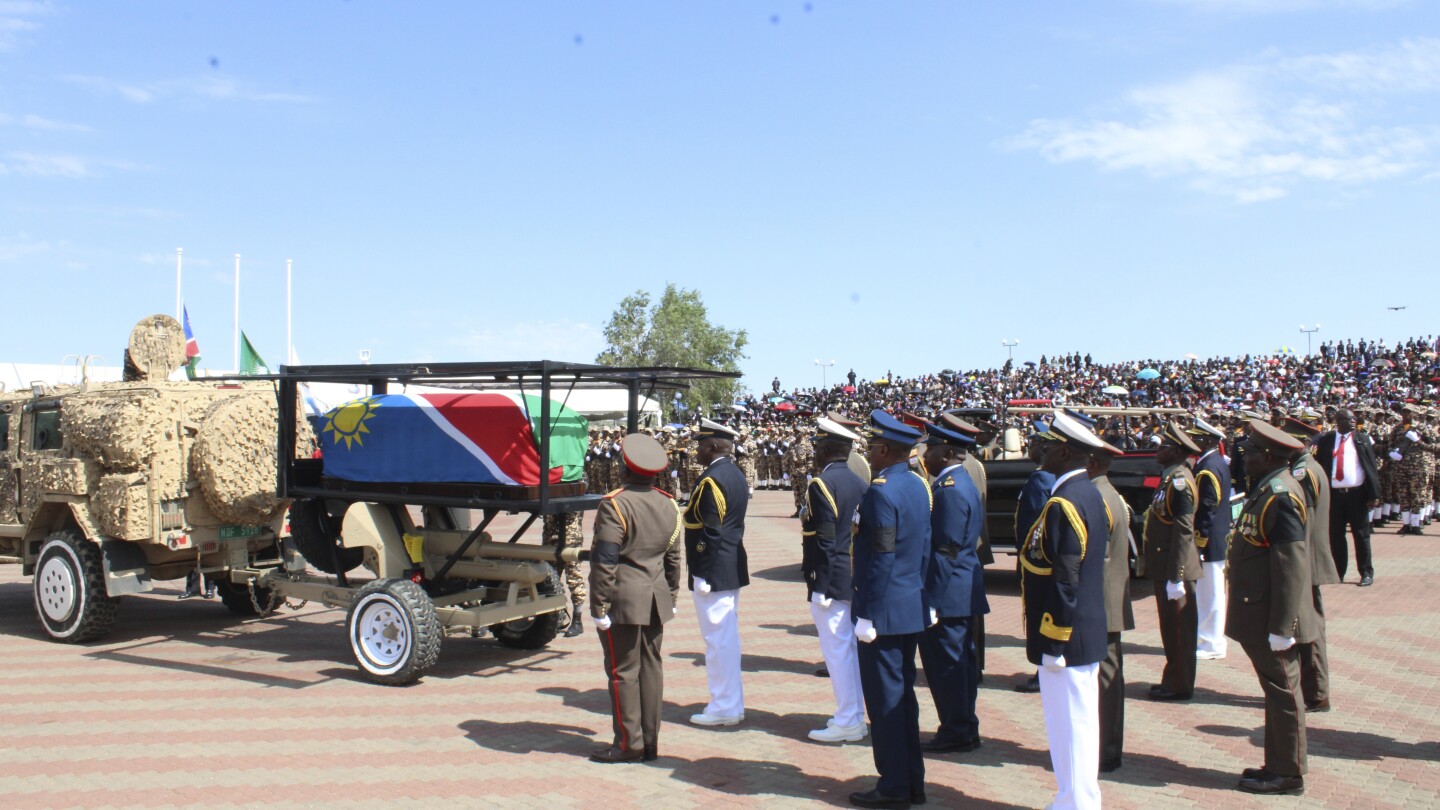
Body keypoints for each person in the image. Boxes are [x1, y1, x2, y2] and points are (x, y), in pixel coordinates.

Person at [1019, 411, 1110, 810]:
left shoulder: (1065, 501)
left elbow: (1066, 577)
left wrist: (1054, 639)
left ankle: (1075, 804)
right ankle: (1078, 799)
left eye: (1049, 445)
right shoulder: (1089, 492)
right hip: (1081, 630)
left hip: (1066, 636)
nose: (1040, 449)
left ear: (1065, 451)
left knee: (1070, 727)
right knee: (1078, 724)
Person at [1227, 419, 1319, 796]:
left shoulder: (1280, 494)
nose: (1243, 457)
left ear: (1267, 457)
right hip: (1261, 610)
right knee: (1276, 691)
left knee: (1283, 692)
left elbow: (1290, 565)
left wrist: (1283, 627)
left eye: (1249, 452)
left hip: (1272, 615)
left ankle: (1289, 774)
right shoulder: (1268, 488)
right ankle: (1277, 764)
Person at [848, 410, 931, 809]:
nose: (869, 453)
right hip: (909, 605)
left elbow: (880, 556)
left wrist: (867, 613)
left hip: (883, 612)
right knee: (903, 700)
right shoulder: (917, 484)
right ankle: (911, 781)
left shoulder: (880, 491)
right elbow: (924, 548)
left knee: (885, 704)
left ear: (883, 450)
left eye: (872, 447)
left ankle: (894, 787)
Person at [587, 433, 684, 763]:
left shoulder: (615, 503)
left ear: (624, 468)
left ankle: (629, 744)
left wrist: (598, 604)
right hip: (656, 598)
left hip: (622, 599)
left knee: (623, 672)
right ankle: (650, 741)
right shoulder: (668, 502)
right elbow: (674, 558)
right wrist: (671, 595)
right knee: (651, 668)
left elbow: (606, 559)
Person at [917, 420, 987, 755]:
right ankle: (963, 727)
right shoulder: (959, 482)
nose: (923, 455)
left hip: (949, 594)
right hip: (960, 591)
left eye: (929, 449)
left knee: (948, 667)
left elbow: (946, 549)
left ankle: (956, 730)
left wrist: (931, 599)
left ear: (945, 453)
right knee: (959, 666)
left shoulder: (950, 489)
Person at [800, 417, 869, 744]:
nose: (814, 453)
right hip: (851, 574)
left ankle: (847, 719)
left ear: (825, 450)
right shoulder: (858, 481)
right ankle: (853, 715)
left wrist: (821, 585)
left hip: (831, 579)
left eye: (817, 447)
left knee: (838, 651)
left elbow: (824, 541)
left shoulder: (821, 484)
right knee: (848, 650)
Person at [684, 418, 751, 727]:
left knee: (718, 642)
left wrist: (702, 573)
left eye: (700, 445)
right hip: (729, 565)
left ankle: (723, 706)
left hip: (714, 571)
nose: (695, 450)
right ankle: (730, 703)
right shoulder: (733, 473)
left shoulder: (712, 480)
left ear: (713, 447)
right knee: (725, 639)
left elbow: (711, 532)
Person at [1281, 418, 1342, 714]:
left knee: (1311, 627)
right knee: (1309, 624)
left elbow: (1300, 517)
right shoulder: (1305, 467)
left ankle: (1316, 692)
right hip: (1309, 555)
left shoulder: (1303, 470)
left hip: (1307, 556)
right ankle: (1314, 690)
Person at [1141, 421, 1201, 701]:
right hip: (1165, 565)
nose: (1158, 449)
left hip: (1175, 567)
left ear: (1177, 452)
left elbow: (1183, 529)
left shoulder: (1180, 481)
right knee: (1171, 628)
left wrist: (1177, 574)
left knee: (1179, 631)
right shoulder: (1171, 477)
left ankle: (1179, 685)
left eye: (1163, 446)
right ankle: (1172, 678)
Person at [1088, 442, 1133, 773]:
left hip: (1100, 599)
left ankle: (1105, 750)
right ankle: (1107, 747)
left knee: (1105, 679)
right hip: (1108, 597)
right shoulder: (1106, 492)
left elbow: (1095, 559)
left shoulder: (1097, 497)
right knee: (1108, 677)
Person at [1312, 408, 1381, 585]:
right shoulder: (1326, 440)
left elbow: (1371, 467)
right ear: (1338, 420)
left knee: (1361, 534)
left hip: (1356, 494)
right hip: (1334, 495)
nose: (1352, 422)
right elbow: (1319, 466)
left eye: (1354, 419)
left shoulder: (1361, 439)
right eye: (1348, 419)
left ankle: (1366, 572)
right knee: (1336, 535)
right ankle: (1338, 572)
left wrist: (1374, 494)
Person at [1013, 426, 1057, 694]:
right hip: (1040, 559)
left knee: (1039, 613)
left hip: (1037, 561)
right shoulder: (1047, 477)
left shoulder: (1041, 480)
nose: (1029, 447)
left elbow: (1035, 525)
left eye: (1033, 443)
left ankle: (1043, 670)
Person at [1186, 418, 1231, 660]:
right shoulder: (1213, 462)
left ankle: (1210, 643)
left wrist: (1199, 541)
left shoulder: (1208, 467)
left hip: (1209, 540)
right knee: (1210, 593)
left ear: (1205, 440)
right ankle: (1208, 639)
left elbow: (1207, 508)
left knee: (1210, 594)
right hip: (1214, 537)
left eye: (1196, 438)